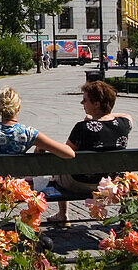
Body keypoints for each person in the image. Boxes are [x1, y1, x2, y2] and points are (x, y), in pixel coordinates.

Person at [50, 80, 133, 224]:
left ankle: (62, 215)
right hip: (111, 183)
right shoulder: (123, 125)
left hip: (80, 182)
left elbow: (65, 152)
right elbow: (127, 115)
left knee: (59, 168)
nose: (82, 103)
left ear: (96, 104)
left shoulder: (83, 127)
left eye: (85, 100)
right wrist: (105, 116)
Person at [0, 87, 75, 158]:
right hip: (15, 189)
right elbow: (69, 153)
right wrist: (41, 146)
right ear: (18, 107)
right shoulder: (27, 133)